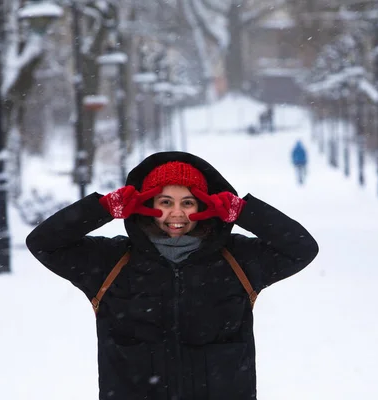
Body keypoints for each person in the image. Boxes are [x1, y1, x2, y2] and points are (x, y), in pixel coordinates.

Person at [26, 151, 319, 400]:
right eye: (165, 202)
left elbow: (301, 249)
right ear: (149, 205)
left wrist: (244, 212)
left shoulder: (237, 260)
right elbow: (43, 244)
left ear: (203, 206)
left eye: (188, 203)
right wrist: (101, 209)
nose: (176, 213)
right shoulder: (111, 263)